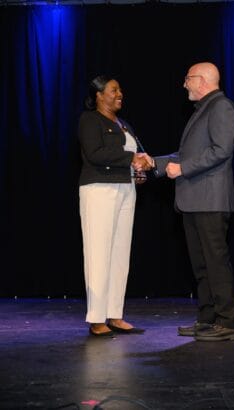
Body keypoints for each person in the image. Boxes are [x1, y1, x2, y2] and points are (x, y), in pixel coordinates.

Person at [153, 62, 234, 341]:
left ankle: (228, 323)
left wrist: (183, 169)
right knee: (201, 265)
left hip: (211, 199)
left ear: (202, 80)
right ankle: (207, 319)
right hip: (195, 200)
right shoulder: (204, 109)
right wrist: (154, 163)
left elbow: (221, 151)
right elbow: (184, 153)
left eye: (188, 78)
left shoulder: (221, 107)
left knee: (215, 263)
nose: (184, 84)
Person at [78, 75, 151, 337]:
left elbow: (132, 156)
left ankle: (114, 314)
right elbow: (95, 154)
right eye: (113, 90)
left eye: (120, 89)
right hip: (99, 189)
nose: (120, 93)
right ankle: (97, 318)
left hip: (125, 188)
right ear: (98, 95)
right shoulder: (89, 120)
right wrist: (132, 158)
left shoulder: (123, 124)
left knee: (120, 253)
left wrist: (139, 171)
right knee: (99, 253)